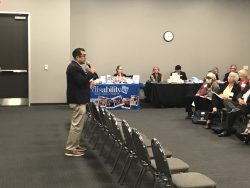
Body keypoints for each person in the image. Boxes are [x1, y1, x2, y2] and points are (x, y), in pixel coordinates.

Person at [65, 48, 95, 157]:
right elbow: (81, 81)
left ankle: (75, 145)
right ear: (77, 57)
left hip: (79, 99)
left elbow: (81, 82)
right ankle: (70, 149)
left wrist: (88, 78)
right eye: (84, 55)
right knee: (76, 126)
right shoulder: (74, 68)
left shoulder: (76, 66)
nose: (85, 57)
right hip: (77, 100)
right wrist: (90, 73)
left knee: (78, 126)